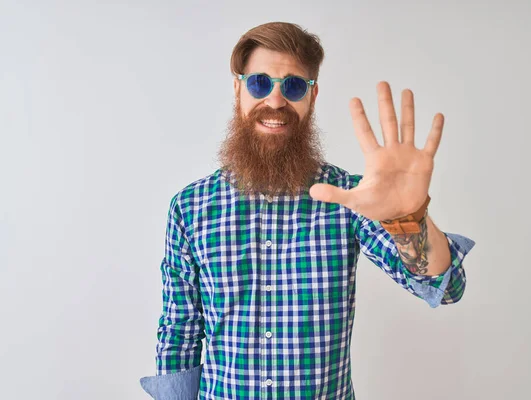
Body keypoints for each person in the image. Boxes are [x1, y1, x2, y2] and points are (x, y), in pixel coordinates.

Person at [139, 21, 475, 400]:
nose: (276, 100)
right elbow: (179, 333)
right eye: (260, 83)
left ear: (312, 97)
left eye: (294, 86)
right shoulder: (190, 207)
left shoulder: (350, 198)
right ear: (238, 90)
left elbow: (444, 288)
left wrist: (409, 216)